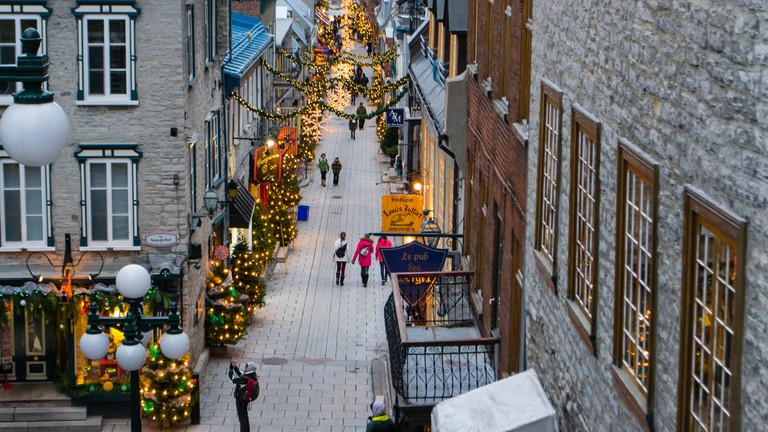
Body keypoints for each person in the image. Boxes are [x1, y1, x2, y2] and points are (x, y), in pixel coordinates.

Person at [229, 360, 260, 432]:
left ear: (249, 368)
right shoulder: (253, 374)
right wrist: (235, 367)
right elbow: (241, 374)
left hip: (240, 400)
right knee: (245, 417)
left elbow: (232, 380)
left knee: (242, 419)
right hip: (245, 400)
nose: (245, 368)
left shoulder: (245, 378)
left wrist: (231, 369)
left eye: (246, 367)